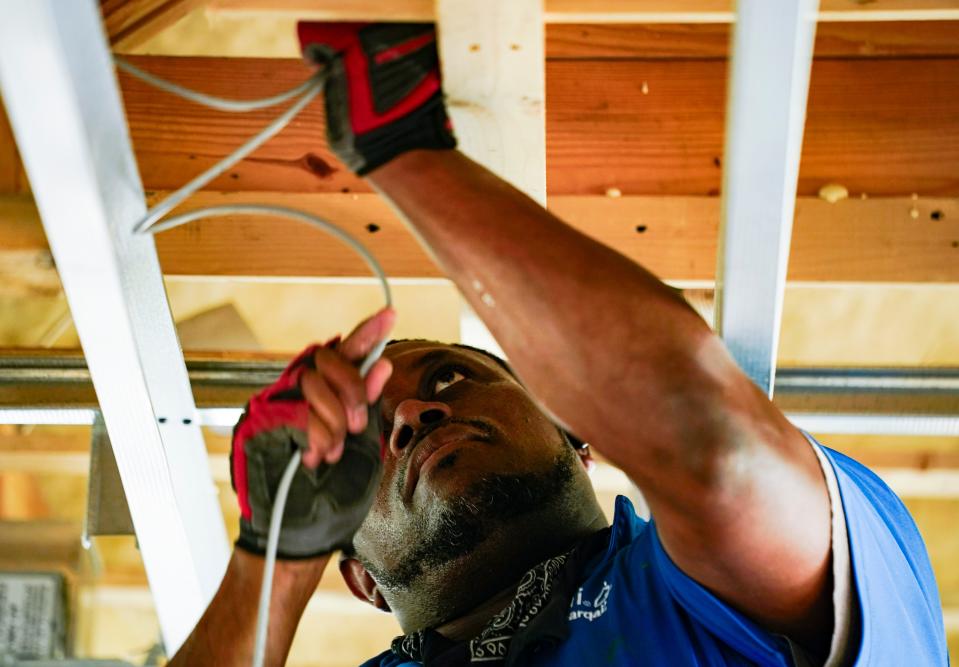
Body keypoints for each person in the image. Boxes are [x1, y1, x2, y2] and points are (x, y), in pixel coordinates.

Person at [169, 23, 949, 667]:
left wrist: (405, 149)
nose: (410, 410)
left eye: (451, 377)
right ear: (362, 583)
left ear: (579, 434)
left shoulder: (696, 586)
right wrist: (273, 553)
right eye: (372, 439)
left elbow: (716, 449)